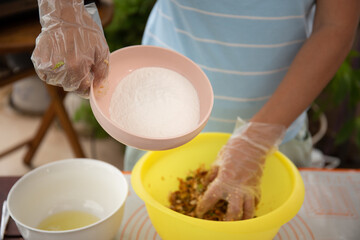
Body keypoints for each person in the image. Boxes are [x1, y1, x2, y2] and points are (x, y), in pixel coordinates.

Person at [31, 0, 360, 221]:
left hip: (277, 128)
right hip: (157, 118)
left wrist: (259, 137)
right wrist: (64, 11)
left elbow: (336, 25)